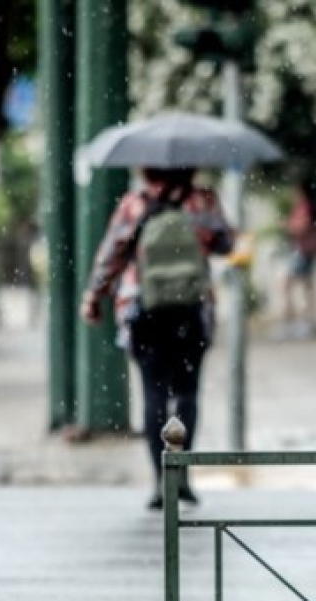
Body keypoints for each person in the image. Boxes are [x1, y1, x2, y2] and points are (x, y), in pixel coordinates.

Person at [80, 167, 233, 510]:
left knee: (154, 394)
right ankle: (183, 478)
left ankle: (160, 480)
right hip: (192, 309)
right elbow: (227, 242)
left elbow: (111, 254)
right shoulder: (203, 201)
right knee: (188, 393)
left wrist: (94, 295)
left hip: (144, 308)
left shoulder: (135, 204)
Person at [278, 184, 316, 336]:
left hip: (303, 250)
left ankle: (297, 322)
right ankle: (306, 322)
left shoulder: (305, 207)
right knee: (306, 286)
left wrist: (287, 225)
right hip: (305, 249)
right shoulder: (305, 206)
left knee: (290, 284)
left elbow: (303, 227)